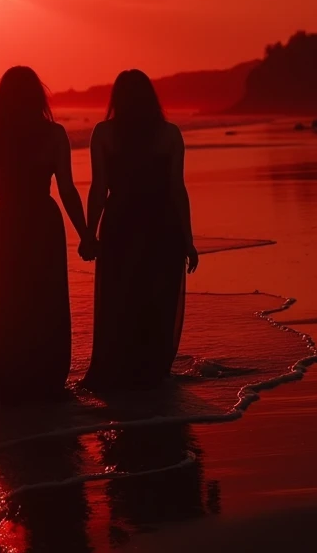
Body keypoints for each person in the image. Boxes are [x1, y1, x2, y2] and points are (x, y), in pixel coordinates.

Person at [0, 66, 92, 402]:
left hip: (6, 222)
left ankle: (8, 375)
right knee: (44, 299)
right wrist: (85, 233)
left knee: (6, 299)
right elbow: (67, 190)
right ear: (37, 97)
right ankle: (44, 375)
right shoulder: (53, 134)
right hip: (43, 221)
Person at [82, 69, 199, 392]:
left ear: (117, 98)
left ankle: (123, 372)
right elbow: (177, 189)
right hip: (162, 224)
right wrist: (188, 240)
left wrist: (90, 234)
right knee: (155, 299)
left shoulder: (104, 133)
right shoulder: (170, 134)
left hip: (122, 222)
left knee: (122, 298)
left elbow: (99, 189)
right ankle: (151, 371)